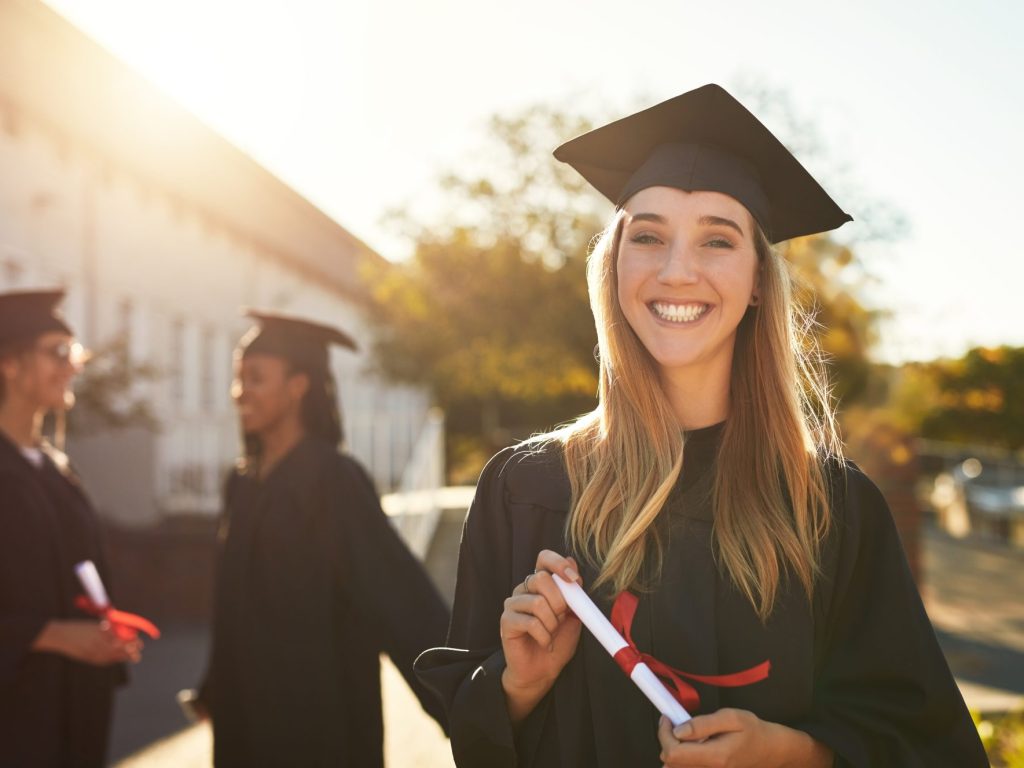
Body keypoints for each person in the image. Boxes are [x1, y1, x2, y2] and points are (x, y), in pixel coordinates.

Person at [415, 84, 988, 767]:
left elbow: (929, 745)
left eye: (717, 239)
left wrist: (797, 754)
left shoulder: (832, 508)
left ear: (755, 282)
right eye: (648, 235)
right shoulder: (527, 490)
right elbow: (473, 745)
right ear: (614, 266)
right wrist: (517, 686)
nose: (675, 269)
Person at [191, 310, 450, 767]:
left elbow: (395, 593)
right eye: (238, 379)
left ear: (298, 385)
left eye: (256, 378)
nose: (240, 393)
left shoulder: (333, 480)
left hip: (319, 718)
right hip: (245, 716)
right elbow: (231, 599)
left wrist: (468, 699)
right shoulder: (243, 481)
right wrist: (215, 684)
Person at [0, 289, 142, 767]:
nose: (73, 365)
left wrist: (104, 626)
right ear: (9, 363)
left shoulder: (53, 469)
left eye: (73, 352)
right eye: (57, 352)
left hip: (73, 711)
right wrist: (54, 634)